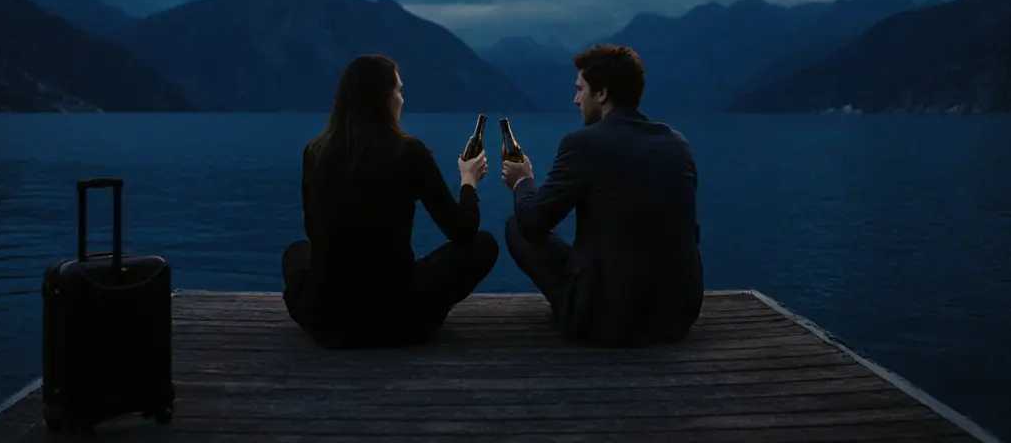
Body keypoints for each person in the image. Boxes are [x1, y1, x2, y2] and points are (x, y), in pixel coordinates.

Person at [281, 54, 500, 348]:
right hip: (398, 322)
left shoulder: (315, 153)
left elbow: (313, 230)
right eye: (398, 91)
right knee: (483, 245)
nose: (402, 100)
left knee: (296, 252)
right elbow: (462, 232)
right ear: (382, 99)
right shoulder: (409, 153)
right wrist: (468, 182)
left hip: (327, 321)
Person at [501, 44, 703, 347]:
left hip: (607, 319)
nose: (575, 99)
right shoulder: (678, 145)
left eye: (580, 89)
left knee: (516, 226)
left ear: (602, 93)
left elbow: (533, 223)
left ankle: (572, 307)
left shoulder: (583, 144)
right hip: (676, 315)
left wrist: (522, 182)